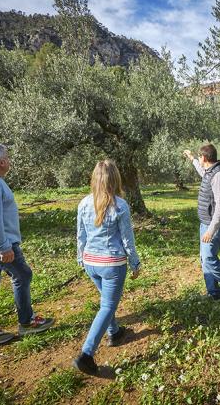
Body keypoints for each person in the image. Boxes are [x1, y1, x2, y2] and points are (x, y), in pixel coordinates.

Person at [0, 142, 54, 350]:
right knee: (23, 275)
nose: (10, 161)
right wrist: (3, 247)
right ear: (2, 161)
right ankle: (27, 322)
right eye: (7, 157)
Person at [73, 160, 141, 376]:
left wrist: (81, 259)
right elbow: (127, 239)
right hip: (112, 264)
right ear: (115, 179)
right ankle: (86, 354)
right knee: (107, 307)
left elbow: (80, 235)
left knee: (107, 302)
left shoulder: (84, 203)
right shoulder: (120, 205)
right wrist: (135, 263)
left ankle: (114, 332)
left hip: (91, 263)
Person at [184, 144, 220, 302]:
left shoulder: (219, 176)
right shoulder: (210, 171)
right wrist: (192, 159)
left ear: (205, 158)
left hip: (215, 227)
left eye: (199, 157)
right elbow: (202, 172)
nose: (199, 160)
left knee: (208, 258)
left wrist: (211, 230)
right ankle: (214, 293)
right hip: (206, 223)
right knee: (205, 259)